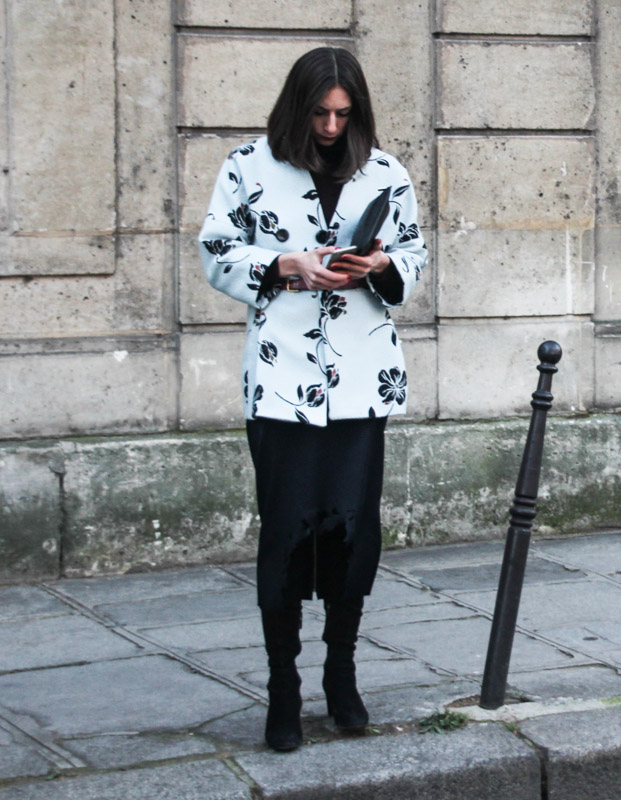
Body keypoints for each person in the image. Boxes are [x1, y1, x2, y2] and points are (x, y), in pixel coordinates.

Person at [198, 47, 426, 752]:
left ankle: (342, 675)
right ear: (298, 107)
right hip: (280, 382)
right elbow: (214, 250)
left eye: (344, 114)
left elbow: (415, 259)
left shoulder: (385, 171)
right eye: (321, 113)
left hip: (361, 383)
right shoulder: (246, 165)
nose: (331, 127)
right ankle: (283, 689)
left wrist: (383, 266)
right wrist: (280, 265)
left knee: (354, 535)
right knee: (286, 534)